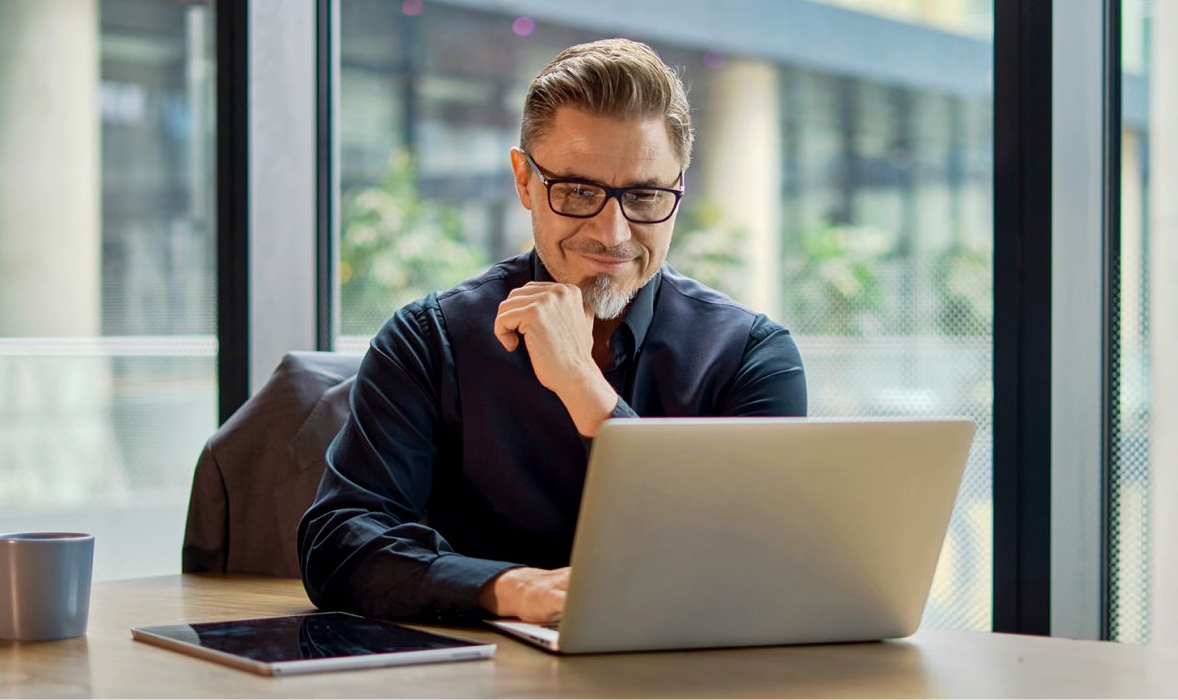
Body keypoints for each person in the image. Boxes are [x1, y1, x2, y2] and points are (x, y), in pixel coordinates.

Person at [298, 38, 807, 625]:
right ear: (524, 181)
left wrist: (582, 386)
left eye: (643, 196)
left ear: (679, 189)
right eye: (578, 192)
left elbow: (753, 562)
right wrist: (511, 590)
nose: (613, 232)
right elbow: (338, 544)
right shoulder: (428, 340)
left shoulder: (752, 357)